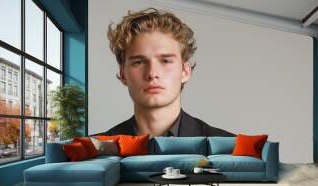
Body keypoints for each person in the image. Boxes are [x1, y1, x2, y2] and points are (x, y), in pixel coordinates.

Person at [95, 8, 234, 137]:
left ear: (185, 71)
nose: (152, 73)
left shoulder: (230, 149)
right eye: (139, 62)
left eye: (166, 61)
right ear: (123, 74)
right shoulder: (89, 152)